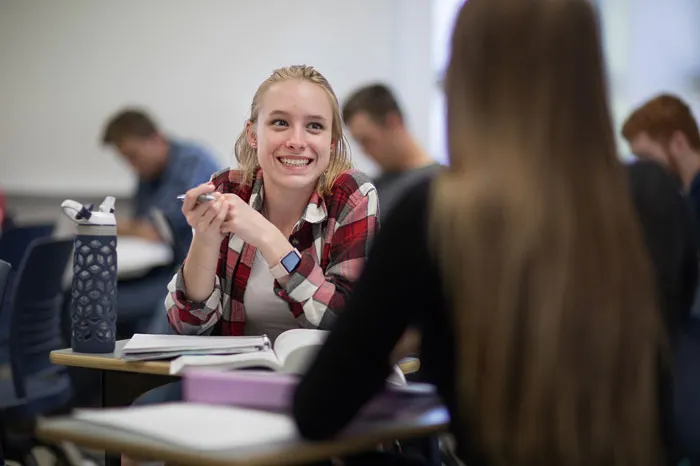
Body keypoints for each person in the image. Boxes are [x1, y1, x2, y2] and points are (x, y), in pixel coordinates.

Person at [293, 1, 699, 466]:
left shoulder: (435, 215)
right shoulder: (659, 199)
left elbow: (318, 411)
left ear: (467, 79)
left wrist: (397, 335)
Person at [101, 109, 221, 336]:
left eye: (133, 156)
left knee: (102, 303)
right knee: (93, 294)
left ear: (156, 139)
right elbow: (142, 225)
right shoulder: (149, 173)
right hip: (166, 268)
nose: (131, 165)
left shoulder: (192, 162)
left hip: (197, 277)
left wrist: (111, 223)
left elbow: (151, 229)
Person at [342, 84, 440, 216]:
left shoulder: (439, 188)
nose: (364, 151)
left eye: (367, 140)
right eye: (359, 143)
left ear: (393, 122)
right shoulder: (370, 190)